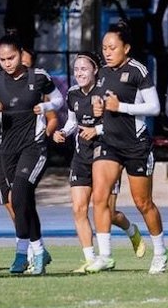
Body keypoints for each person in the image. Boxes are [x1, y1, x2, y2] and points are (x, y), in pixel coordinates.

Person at [0, 31, 63, 275]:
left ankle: (28, 253)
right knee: (19, 201)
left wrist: (46, 106)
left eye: (11, 57)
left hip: (33, 147)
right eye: (2, 59)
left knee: (20, 193)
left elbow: (59, 100)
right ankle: (32, 252)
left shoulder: (39, 77)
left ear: (21, 54)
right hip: (4, 152)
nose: (7, 63)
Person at [52, 52, 144, 273]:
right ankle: (91, 258)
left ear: (95, 70)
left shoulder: (106, 92)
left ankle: (131, 230)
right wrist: (62, 132)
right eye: (76, 70)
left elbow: (119, 123)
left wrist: (97, 130)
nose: (79, 73)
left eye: (84, 69)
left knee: (107, 212)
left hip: (108, 153)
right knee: (78, 209)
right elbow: (72, 122)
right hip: (81, 156)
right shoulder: (72, 94)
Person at [87, 23, 168, 275]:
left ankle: (161, 251)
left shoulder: (138, 71)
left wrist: (120, 107)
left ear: (126, 48)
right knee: (99, 198)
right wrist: (98, 108)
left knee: (143, 202)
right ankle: (106, 255)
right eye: (104, 48)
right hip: (109, 143)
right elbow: (100, 103)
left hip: (136, 145)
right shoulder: (101, 73)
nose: (107, 52)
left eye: (112, 47)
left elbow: (154, 108)